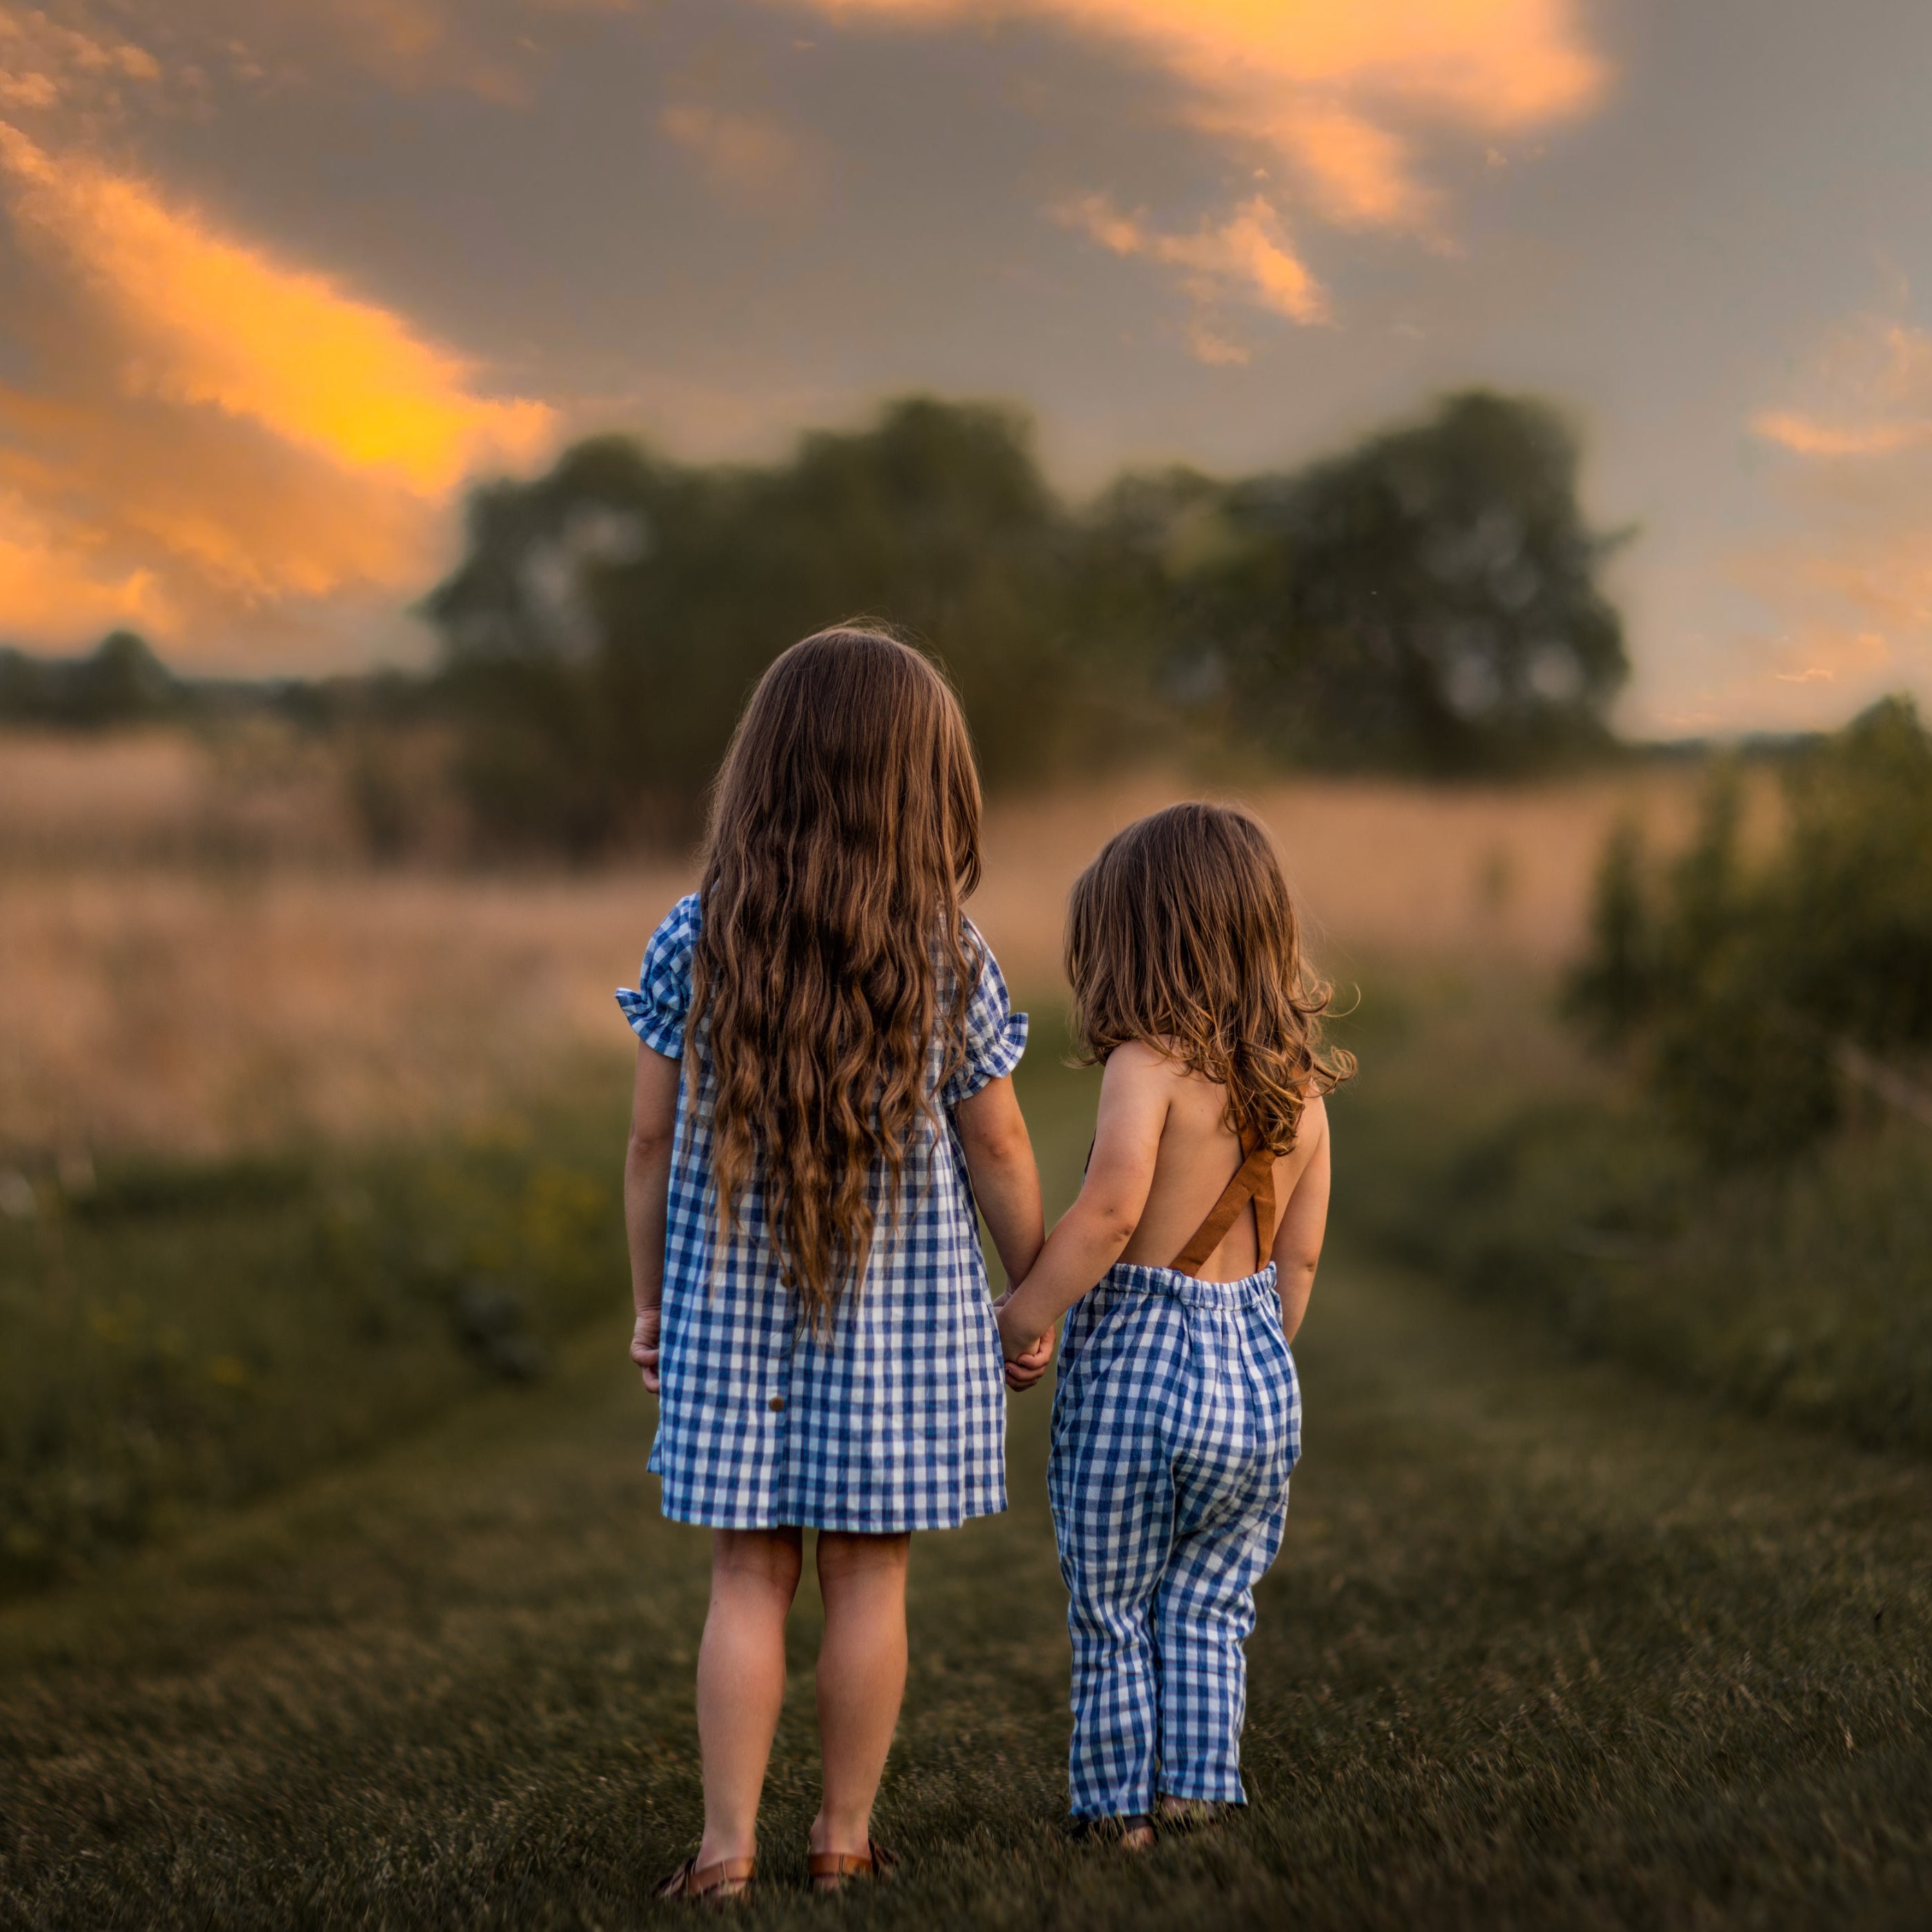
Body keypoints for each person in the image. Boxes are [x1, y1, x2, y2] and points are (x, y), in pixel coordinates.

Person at [618, 626, 1049, 1902]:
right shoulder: (946, 952)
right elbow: (1003, 1145)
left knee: (747, 1573)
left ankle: (724, 1849)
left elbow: (648, 1142)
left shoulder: (694, 938)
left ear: (765, 770)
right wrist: (1028, 1300)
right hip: (902, 1333)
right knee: (870, 1578)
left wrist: (652, 1303)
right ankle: (844, 1840)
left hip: (734, 1319)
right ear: (927, 786)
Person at [996, 801, 1353, 1846]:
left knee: (1113, 1608)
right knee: (1209, 1601)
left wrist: (1020, 1317)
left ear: (1136, 943)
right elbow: (1302, 1258)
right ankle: (1197, 1793)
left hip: (1138, 1386)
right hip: (1253, 1380)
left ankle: (1115, 1813)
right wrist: (1255, 1353)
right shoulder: (1305, 1091)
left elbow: (1108, 1217)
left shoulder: (1143, 1069)